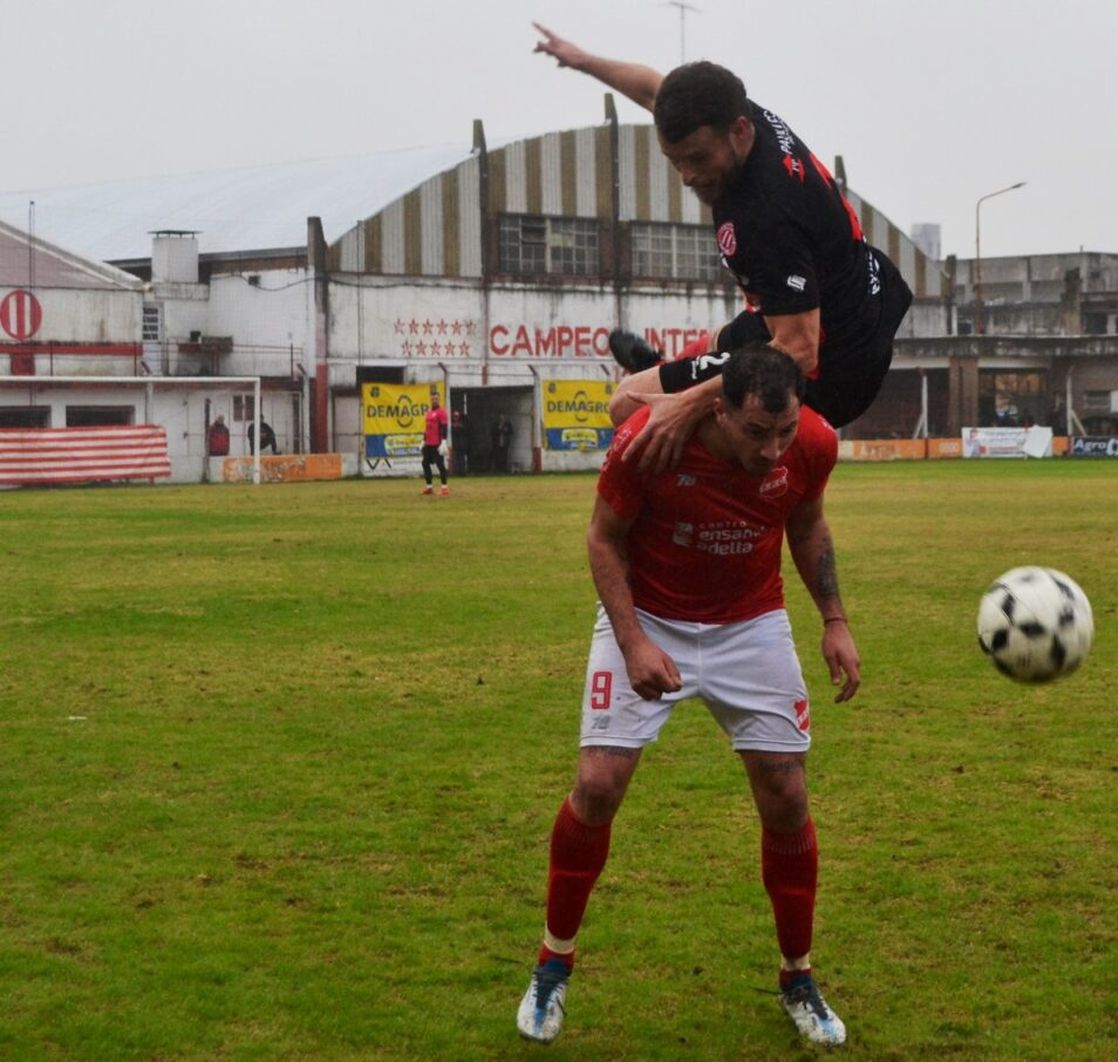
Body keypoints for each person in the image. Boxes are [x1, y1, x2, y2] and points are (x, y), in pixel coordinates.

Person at [516, 347, 859, 1048]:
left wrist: (834, 620)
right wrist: (636, 642)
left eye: (784, 433)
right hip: (651, 616)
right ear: (718, 409)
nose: (772, 452)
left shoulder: (812, 443)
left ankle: (798, 976)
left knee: (788, 797)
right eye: (756, 434)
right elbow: (603, 541)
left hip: (752, 623)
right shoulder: (648, 443)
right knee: (598, 783)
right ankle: (553, 963)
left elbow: (807, 523)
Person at [533, 25, 913, 471]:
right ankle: (669, 367)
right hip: (854, 302)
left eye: (697, 158)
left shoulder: (766, 216)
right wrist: (583, 60)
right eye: (675, 160)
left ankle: (729, 502)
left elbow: (798, 350)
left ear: (738, 132)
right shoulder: (733, 112)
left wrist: (688, 404)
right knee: (710, 344)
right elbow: (653, 89)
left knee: (628, 405)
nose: (687, 176)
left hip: (831, 367)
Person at [421, 390, 450, 496]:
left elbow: (444, 427)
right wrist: (423, 440)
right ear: (431, 400)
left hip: (437, 443)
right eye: (433, 399)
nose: (434, 400)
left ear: (439, 399)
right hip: (428, 444)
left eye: (436, 399)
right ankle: (429, 487)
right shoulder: (429, 413)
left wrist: (444, 441)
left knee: (440, 464)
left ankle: (444, 487)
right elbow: (427, 428)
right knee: (425, 463)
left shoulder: (441, 412)